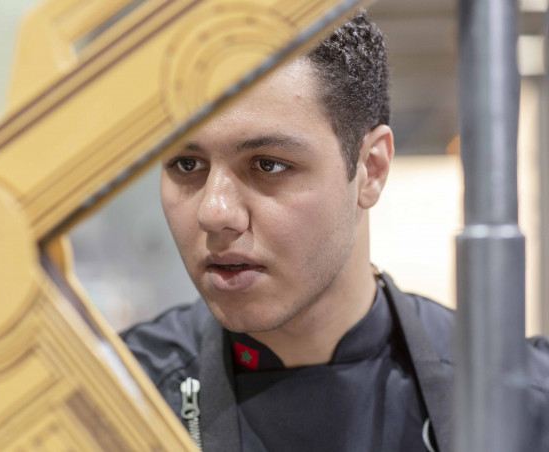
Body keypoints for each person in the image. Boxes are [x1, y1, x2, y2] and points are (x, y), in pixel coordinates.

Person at [122, 11, 549, 452]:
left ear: (371, 169)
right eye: (186, 165)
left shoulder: (524, 403)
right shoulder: (113, 397)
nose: (215, 212)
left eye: (269, 165)